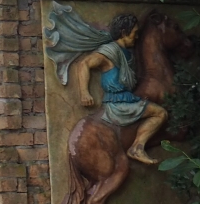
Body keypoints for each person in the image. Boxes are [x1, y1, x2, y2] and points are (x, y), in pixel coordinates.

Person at [68, 13, 168, 164]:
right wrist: (84, 92)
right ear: (123, 33)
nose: (136, 37)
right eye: (134, 33)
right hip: (118, 104)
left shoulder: (128, 54)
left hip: (127, 98)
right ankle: (137, 147)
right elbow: (84, 64)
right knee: (160, 113)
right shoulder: (110, 51)